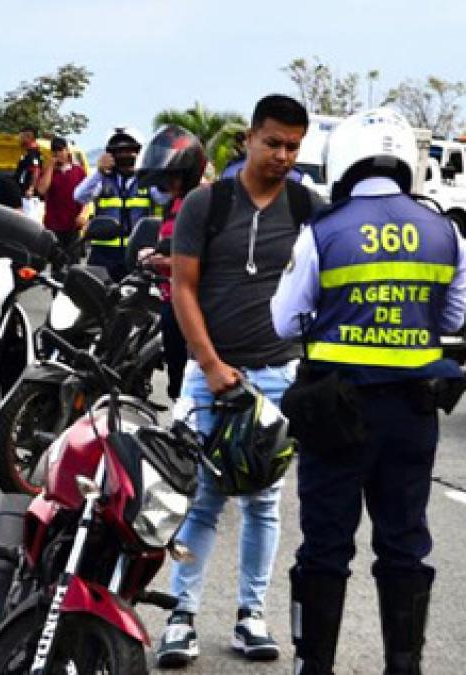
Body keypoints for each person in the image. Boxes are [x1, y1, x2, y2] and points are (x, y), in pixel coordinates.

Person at [272, 108, 466, 675]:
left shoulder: (323, 231)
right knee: (404, 545)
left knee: (325, 549)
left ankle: (316, 667)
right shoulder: (444, 231)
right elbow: (456, 315)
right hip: (412, 415)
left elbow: (285, 322)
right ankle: (404, 666)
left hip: (336, 413)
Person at [154, 94, 324, 669]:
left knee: (264, 502)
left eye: (293, 147)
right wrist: (208, 366)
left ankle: (251, 616)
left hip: (277, 377)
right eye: (273, 142)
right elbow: (183, 288)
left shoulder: (307, 206)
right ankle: (180, 617)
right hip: (211, 377)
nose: (282, 155)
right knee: (201, 502)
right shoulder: (209, 202)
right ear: (248, 138)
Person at [133, 125, 208, 400]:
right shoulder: (176, 204)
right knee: (178, 383)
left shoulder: (200, 203)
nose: (165, 184)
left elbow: (198, 257)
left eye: (171, 177)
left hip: (192, 305)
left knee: (189, 385)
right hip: (172, 298)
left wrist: (157, 260)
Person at [74, 127, 167, 281]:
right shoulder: (102, 179)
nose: (125, 155)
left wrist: (151, 172)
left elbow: (163, 199)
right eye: (119, 151)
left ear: (139, 153)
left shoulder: (146, 180)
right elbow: (79, 196)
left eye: (130, 150)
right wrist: (99, 172)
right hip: (103, 253)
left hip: (137, 251)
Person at [35, 136, 87, 261]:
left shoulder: (78, 171)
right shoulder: (49, 172)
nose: (58, 153)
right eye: (55, 151)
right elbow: (41, 190)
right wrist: (51, 167)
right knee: (57, 262)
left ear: (67, 151)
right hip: (54, 226)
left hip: (73, 225)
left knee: (73, 261)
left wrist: (83, 214)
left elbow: (87, 196)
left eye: (60, 150)